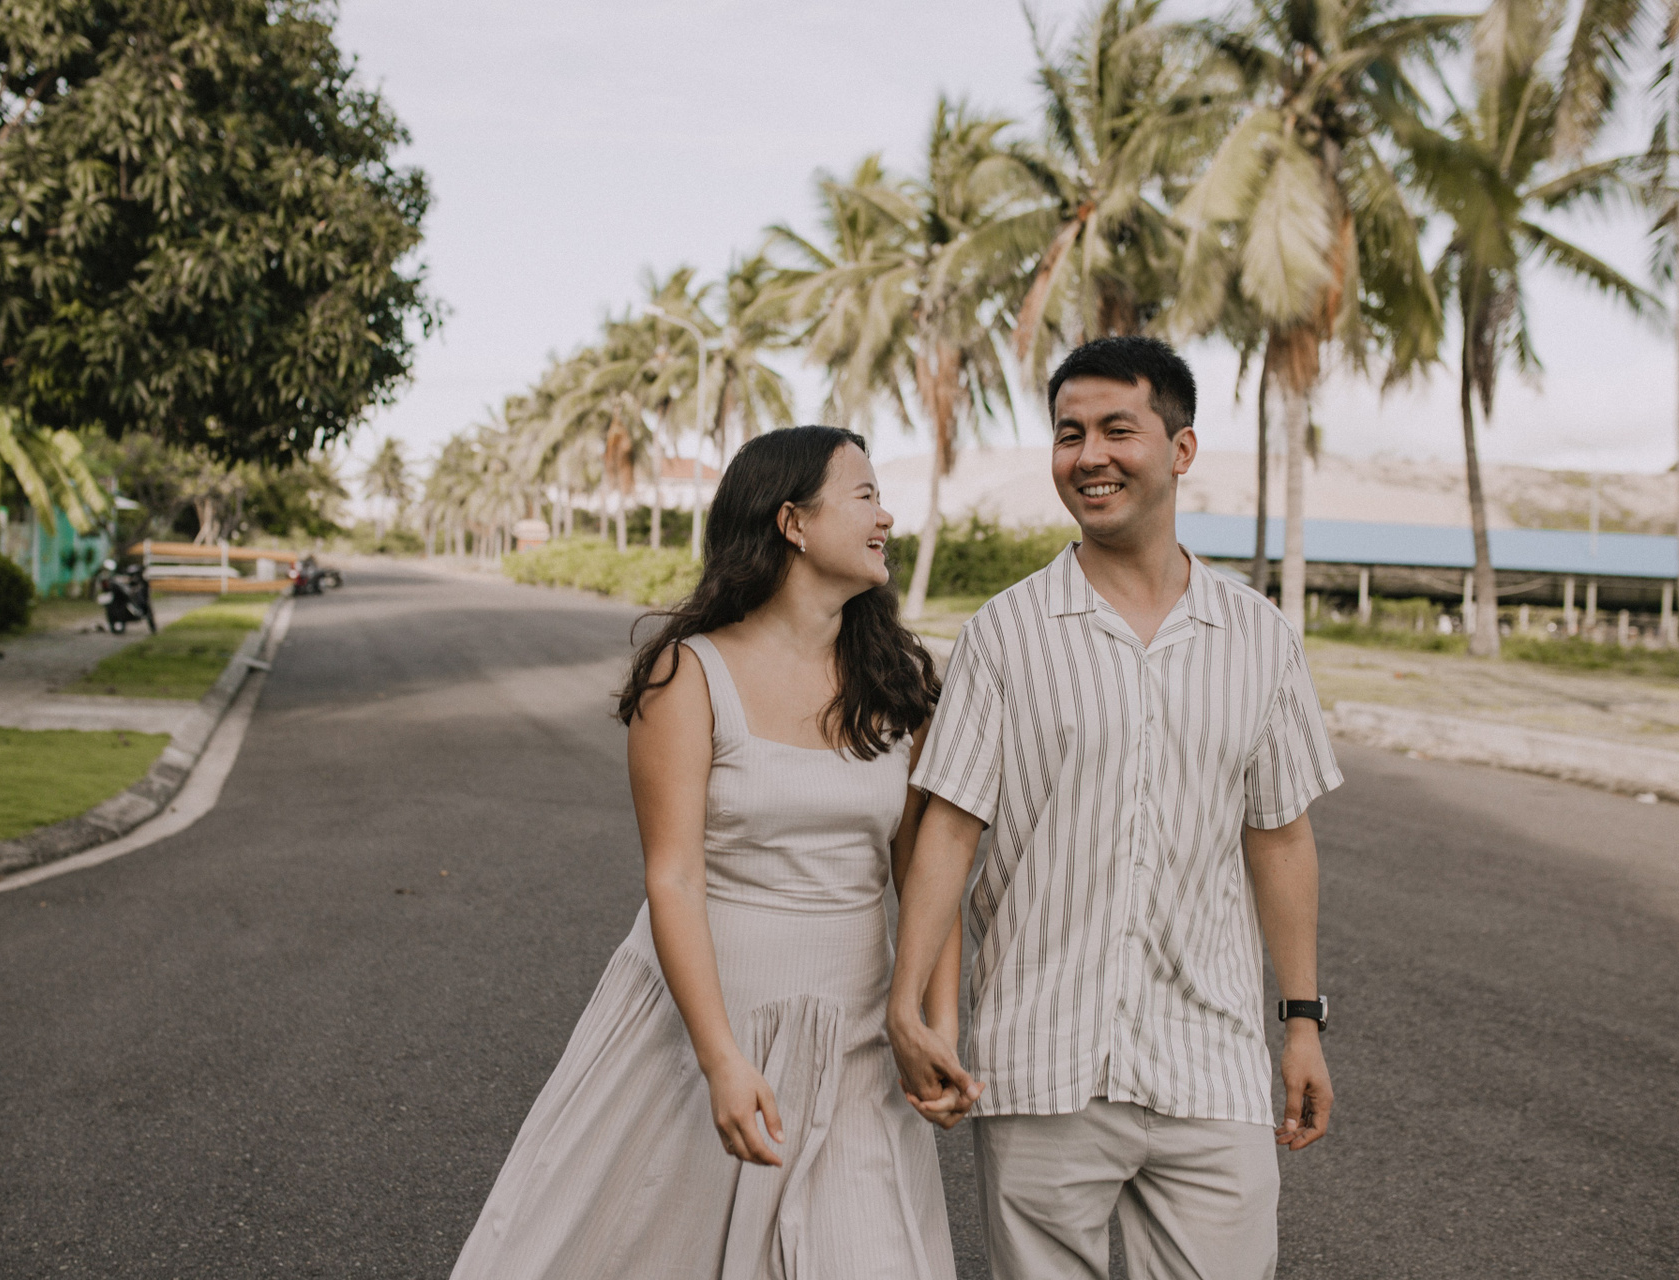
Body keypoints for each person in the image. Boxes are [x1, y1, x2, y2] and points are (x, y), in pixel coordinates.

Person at [450, 426, 964, 1279]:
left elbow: (926, 875)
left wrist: (935, 1023)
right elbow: (675, 878)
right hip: (705, 1025)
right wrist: (721, 1059)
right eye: (866, 496)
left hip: (855, 1036)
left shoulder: (899, 687)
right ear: (793, 522)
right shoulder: (687, 676)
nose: (886, 517)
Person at [886, 336, 1342, 1280]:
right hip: (1042, 1058)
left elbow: (1280, 837)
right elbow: (949, 830)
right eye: (1069, 434)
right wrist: (911, 1007)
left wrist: (1301, 1022)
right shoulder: (1005, 634)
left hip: (1210, 1063)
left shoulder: (1260, 638)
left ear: (1180, 449)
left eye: (1116, 430)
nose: (1089, 455)